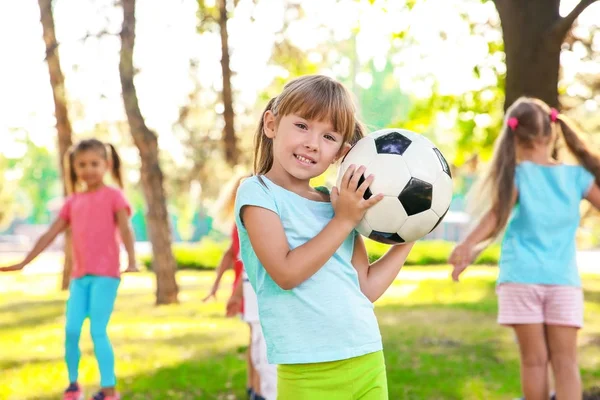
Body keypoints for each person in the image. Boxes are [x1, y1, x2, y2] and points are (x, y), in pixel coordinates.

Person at [234, 74, 415, 399]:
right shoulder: (257, 192)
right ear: (271, 124)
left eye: (328, 136)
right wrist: (344, 220)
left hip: (366, 358)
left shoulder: (336, 204)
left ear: (339, 153)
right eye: (302, 125)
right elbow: (286, 273)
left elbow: (366, 288)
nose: (312, 143)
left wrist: (408, 239)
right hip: (307, 371)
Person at [449, 97, 600, 400]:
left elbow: (495, 216)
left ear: (514, 136)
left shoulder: (518, 175)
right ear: (552, 133)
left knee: (533, 362)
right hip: (563, 282)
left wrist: (467, 244)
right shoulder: (576, 177)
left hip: (520, 279)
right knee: (566, 363)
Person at [0, 139, 138, 400]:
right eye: (82, 165)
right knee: (72, 330)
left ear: (106, 165)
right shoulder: (73, 201)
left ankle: (109, 390)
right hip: (80, 277)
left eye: (94, 164)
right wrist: (23, 262)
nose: (88, 170)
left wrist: (132, 260)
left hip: (106, 275)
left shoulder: (114, 196)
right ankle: (73, 385)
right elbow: (49, 234)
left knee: (98, 330)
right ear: (74, 169)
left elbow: (126, 229)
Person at [203, 173, 262, 399]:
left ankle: (254, 385)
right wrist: (216, 285)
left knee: (256, 337)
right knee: (255, 337)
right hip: (246, 285)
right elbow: (230, 254)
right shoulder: (241, 224)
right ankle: (255, 385)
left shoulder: (251, 219)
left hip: (249, 284)